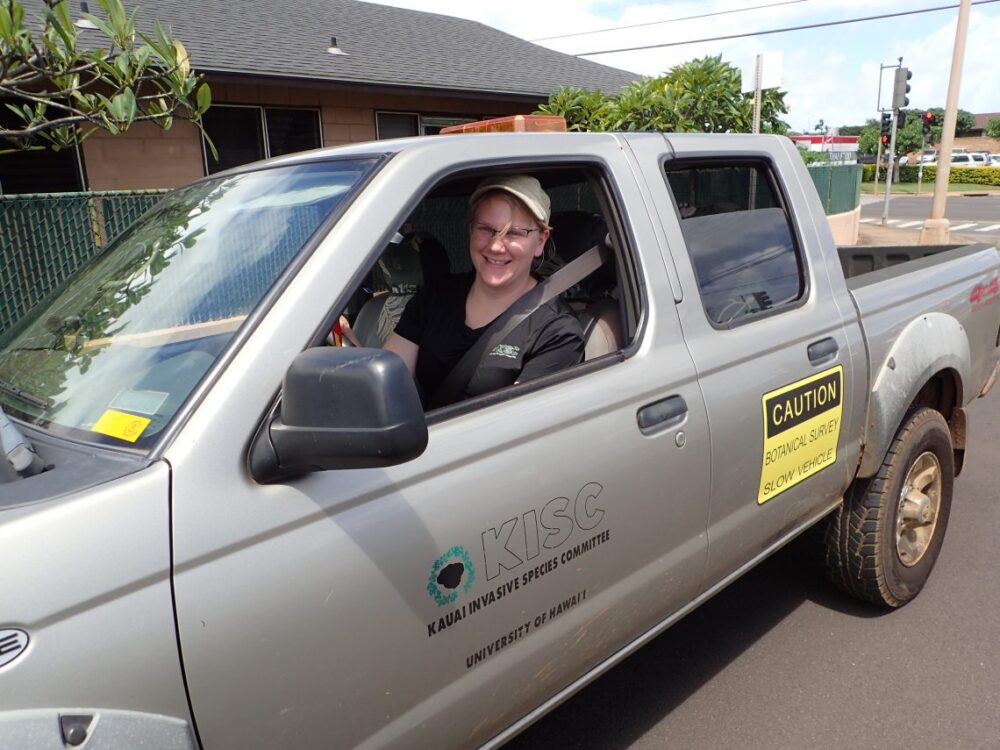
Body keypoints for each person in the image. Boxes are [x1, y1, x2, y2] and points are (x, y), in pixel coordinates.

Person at [384, 174, 585, 408]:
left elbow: (517, 428)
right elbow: (386, 384)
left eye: (514, 233)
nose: (496, 246)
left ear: (540, 240)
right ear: (471, 231)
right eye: (486, 229)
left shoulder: (557, 332)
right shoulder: (434, 297)